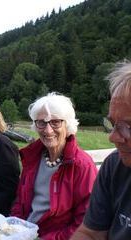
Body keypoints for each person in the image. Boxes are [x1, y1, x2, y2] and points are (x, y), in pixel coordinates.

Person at [11, 92, 98, 240]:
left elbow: (84, 222)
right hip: (23, 232)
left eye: (55, 122)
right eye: (41, 122)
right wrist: (14, 227)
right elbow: (20, 200)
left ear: (68, 124)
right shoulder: (32, 156)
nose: (48, 130)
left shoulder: (82, 165)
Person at [71, 61, 131, 240]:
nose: (112, 137)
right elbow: (90, 233)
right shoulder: (115, 165)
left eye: (128, 125)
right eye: (113, 124)